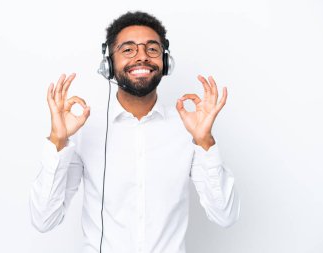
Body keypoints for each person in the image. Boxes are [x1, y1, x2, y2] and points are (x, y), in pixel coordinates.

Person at [29, 11, 240, 253]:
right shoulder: (83, 128)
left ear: (166, 61)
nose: (142, 57)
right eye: (128, 50)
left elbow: (226, 215)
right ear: (108, 63)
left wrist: (204, 142)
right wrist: (58, 141)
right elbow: (44, 219)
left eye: (152, 49)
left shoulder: (188, 127)